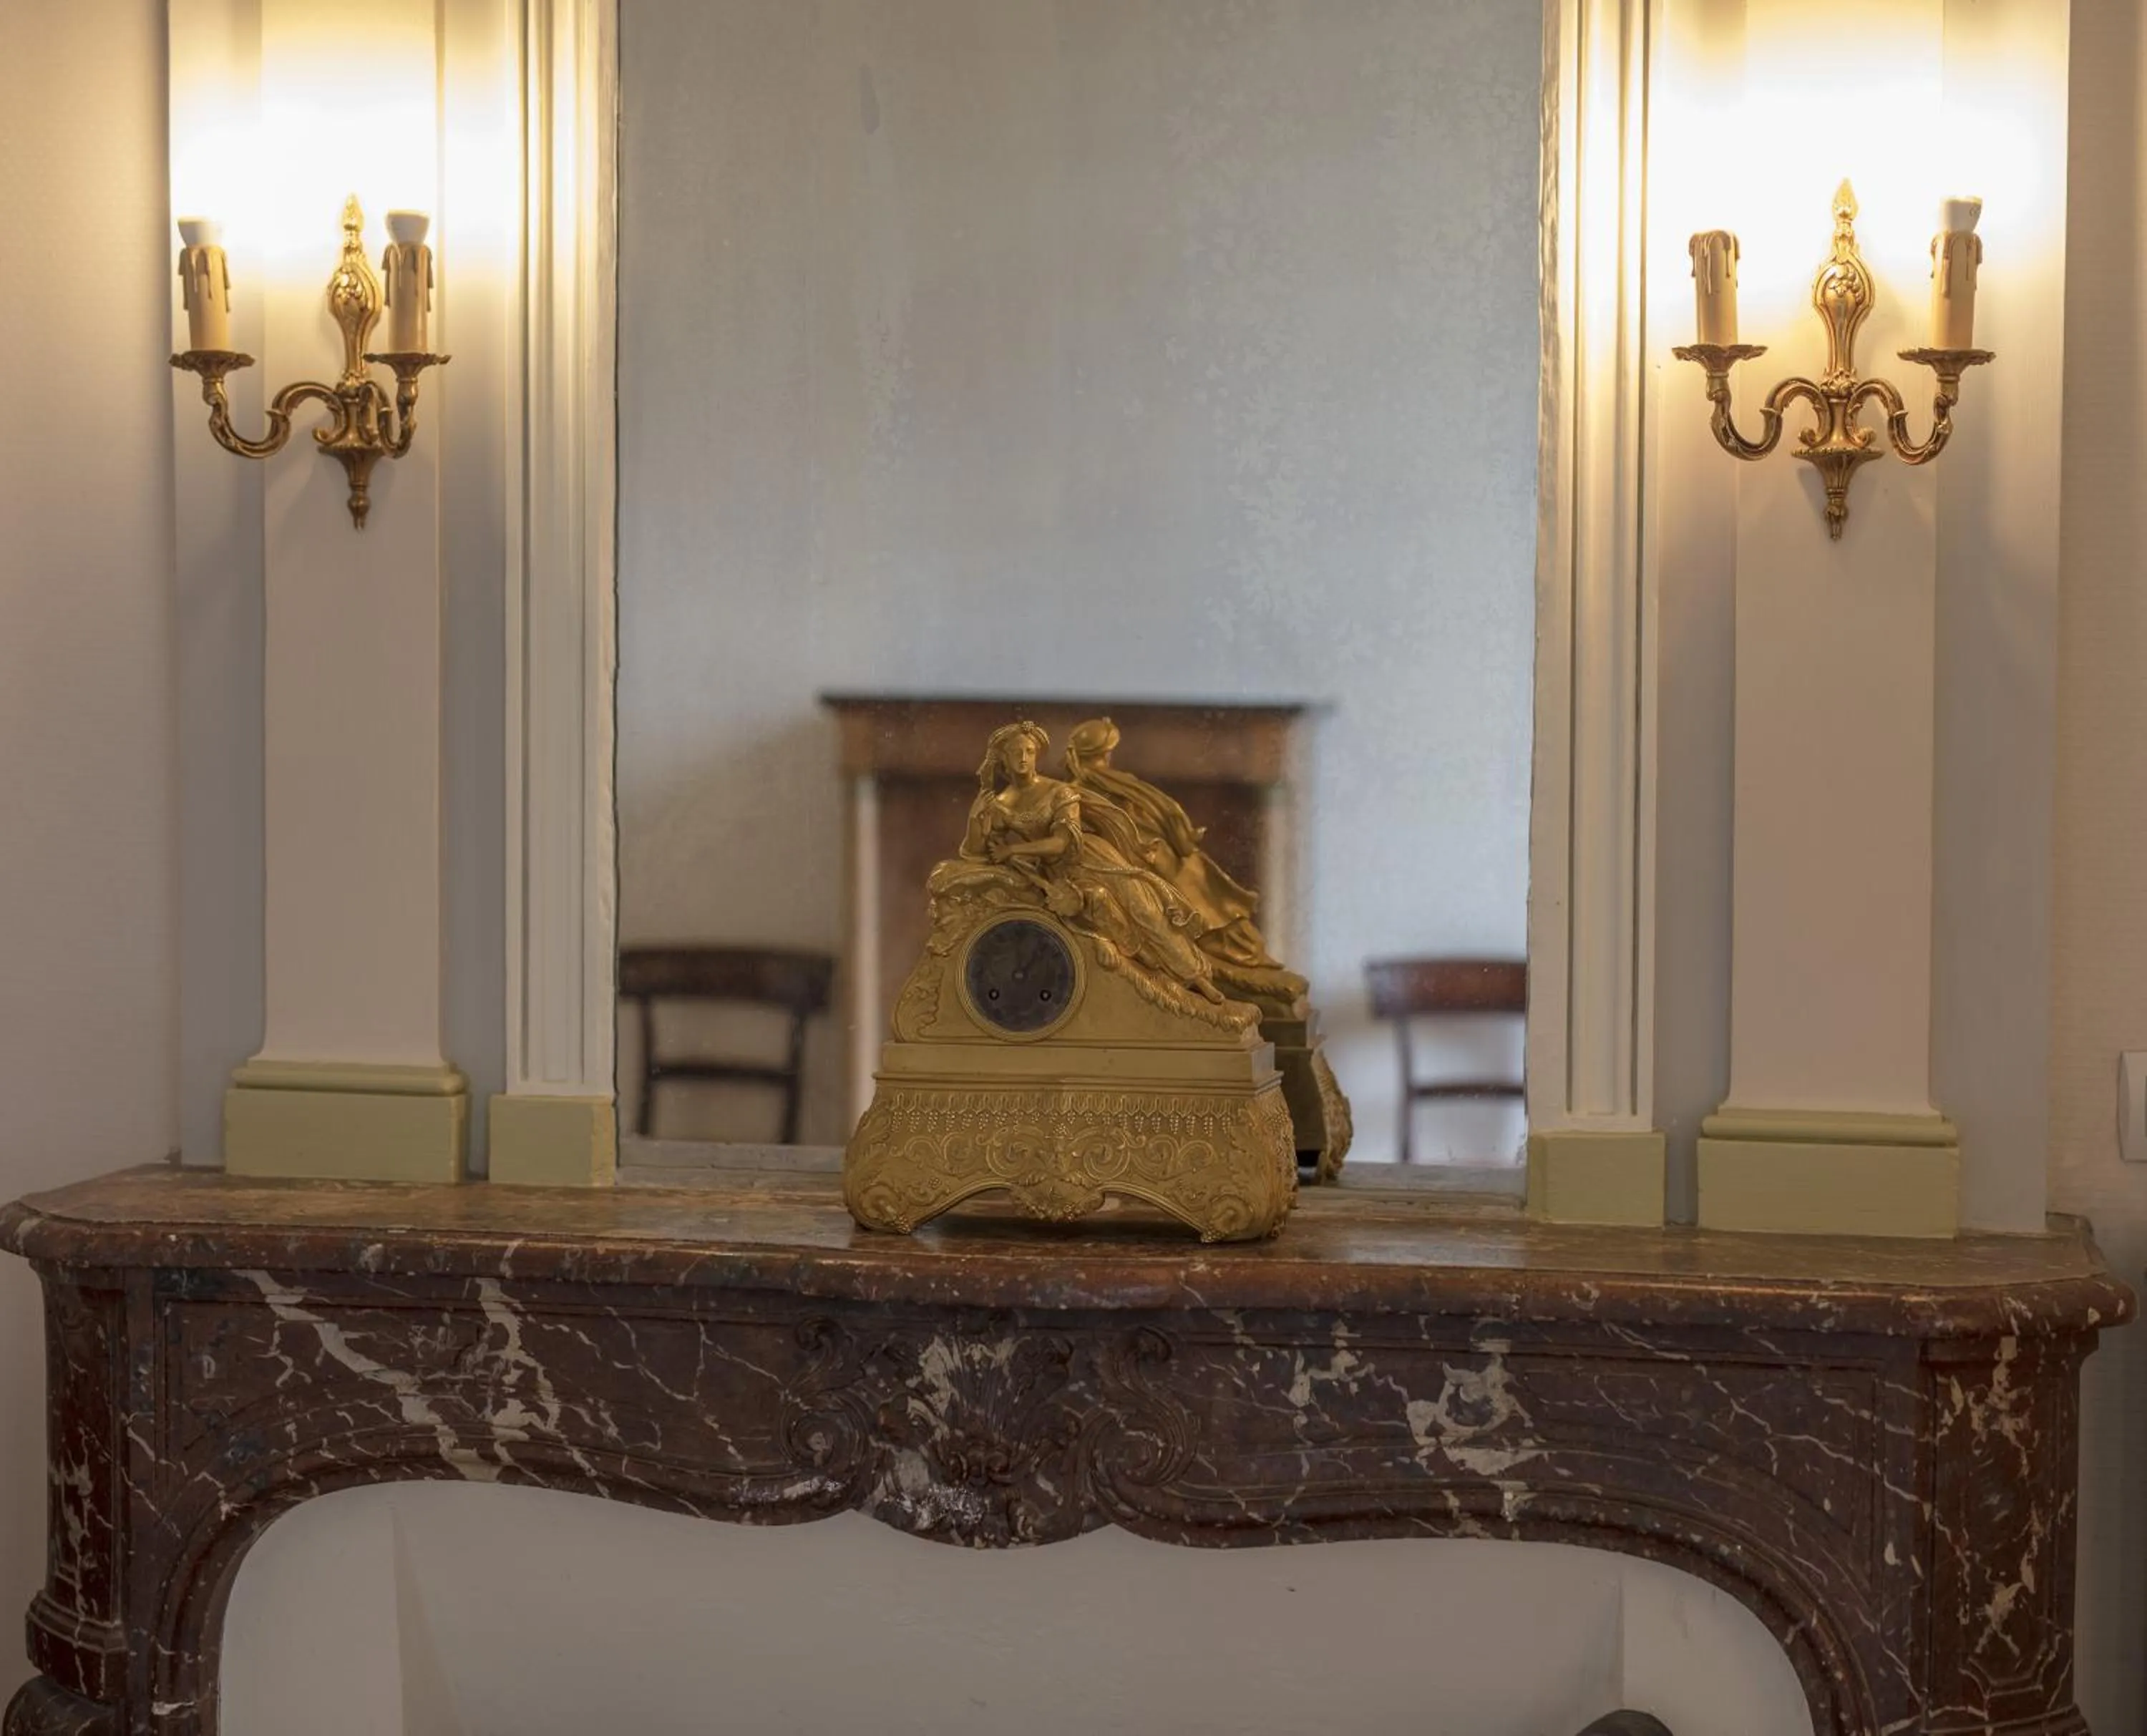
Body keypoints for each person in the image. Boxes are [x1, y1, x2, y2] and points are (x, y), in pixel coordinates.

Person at [935, 720, 1227, 1005]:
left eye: (1029, 752)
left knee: (1145, 909)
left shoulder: (1059, 792)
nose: (1023, 759)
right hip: (1061, 874)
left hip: (1092, 858)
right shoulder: (1000, 803)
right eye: (1016, 753)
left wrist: (1013, 852)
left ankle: (1197, 978)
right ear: (1003, 759)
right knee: (1102, 905)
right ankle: (1146, 963)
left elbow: (1063, 842)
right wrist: (977, 816)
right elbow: (976, 853)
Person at [1063, 716, 1307, 1009]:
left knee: (1204, 888)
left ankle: (1238, 953)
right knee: (1203, 901)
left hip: (1163, 860)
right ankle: (1232, 955)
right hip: (1146, 866)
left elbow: (1161, 817)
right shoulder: (1085, 792)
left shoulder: (1110, 786)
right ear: (1106, 753)